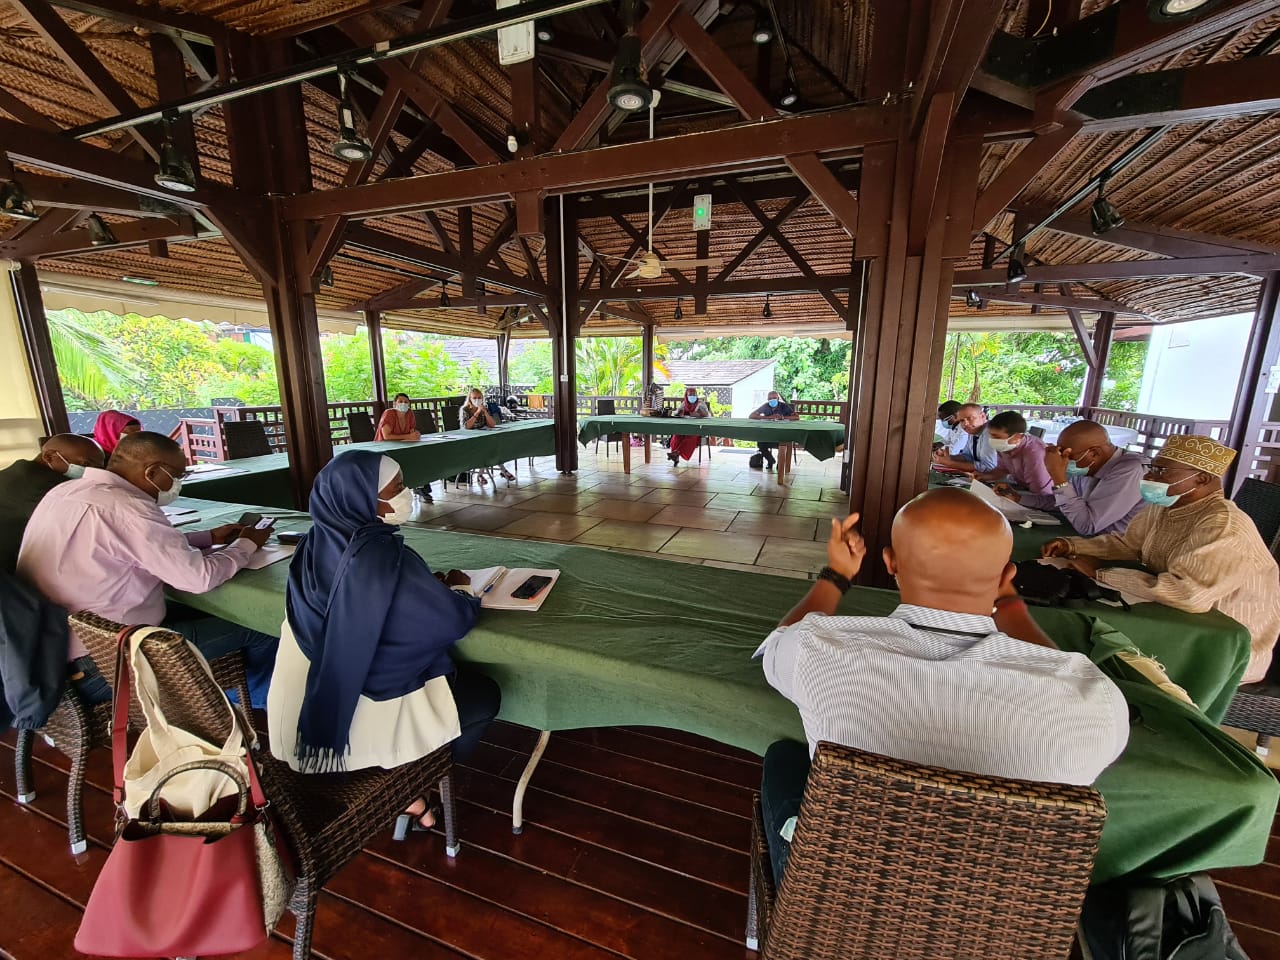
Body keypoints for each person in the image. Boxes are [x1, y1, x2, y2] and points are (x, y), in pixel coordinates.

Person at [755, 488, 1129, 883]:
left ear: (890, 563)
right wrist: (1007, 602)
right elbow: (1057, 668)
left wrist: (837, 574)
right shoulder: (1092, 700)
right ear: (1007, 576)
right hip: (998, 903)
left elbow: (776, 644)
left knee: (784, 758)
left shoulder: (818, 648)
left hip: (840, 888)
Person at [269, 452, 500, 828]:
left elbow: (361, 606)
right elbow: (450, 621)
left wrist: (422, 590)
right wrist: (460, 590)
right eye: (396, 489)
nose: (406, 495)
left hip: (305, 714)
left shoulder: (311, 545)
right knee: (484, 695)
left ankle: (402, 781)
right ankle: (412, 780)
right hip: (363, 712)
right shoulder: (380, 556)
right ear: (361, 499)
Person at [16, 432, 278, 707]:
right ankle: (256, 706)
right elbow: (198, 578)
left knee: (216, 611)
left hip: (53, 654)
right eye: (177, 476)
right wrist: (246, 544)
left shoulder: (64, 492)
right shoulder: (128, 506)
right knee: (262, 626)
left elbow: (127, 545)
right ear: (152, 471)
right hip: (106, 662)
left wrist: (208, 537)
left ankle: (230, 695)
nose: (177, 484)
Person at [1045, 435, 1280, 685]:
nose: (1149, 477)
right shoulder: (1167, 505)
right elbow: (1128, 544)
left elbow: (1187, 594)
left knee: (1089, 641)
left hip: (1221, 642)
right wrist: (1072, 545)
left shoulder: (1222, 524)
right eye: (1152, 468)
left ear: (1201, 478)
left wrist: (1101, 573)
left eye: (1162, 471)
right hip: (1179, 616)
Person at [1003, 419, 1145, 536]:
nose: (1065, 460)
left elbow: (1087, 525)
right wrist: (1018, 498)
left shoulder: (1130, 470)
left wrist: (1058, 476)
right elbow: (1064, 502)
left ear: (1094, 453)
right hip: (1088, 538)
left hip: (1116, 547)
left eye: (1069, 456)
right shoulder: (1089, 467)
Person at [0, 434, 104, 574]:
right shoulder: (47, 488)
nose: (91, 472)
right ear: (49, 456)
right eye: (85, 464)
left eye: (97, 468)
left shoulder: (18, 472)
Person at [974, 411, 1052, 496]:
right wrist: (983, 477)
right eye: (990, 435)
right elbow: (1002, 469)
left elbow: (1042, 494)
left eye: (996, 436)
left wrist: (1014, 496)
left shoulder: (1034, 454)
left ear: (1017, 437)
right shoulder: (1005, 446)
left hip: (1045, 497)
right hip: (1022, 488)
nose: (991, 439)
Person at [459, 388, 516, 484]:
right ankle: (500, 471)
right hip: (469, 438)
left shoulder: (484, 408)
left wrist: (485, 412)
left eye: (479, 397)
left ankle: (483, 474)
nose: (477, 400)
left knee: (495, 447)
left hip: (483, 436)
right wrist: (477, 412)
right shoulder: (465, 409)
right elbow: (466, 426)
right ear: (470, 399)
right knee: (487, 449)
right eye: (474, 398)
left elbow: (492, 424)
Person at [930, 403, 998, 473]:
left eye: (970, 418)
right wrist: (948, 457)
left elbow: (989, 467)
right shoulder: (973, 431)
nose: (965, 423)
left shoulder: (991, 433)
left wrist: (951, 463)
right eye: (961, 420)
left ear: (983, 416)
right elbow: (967, 457)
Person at [748, 390, 798, 470]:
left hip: (781, 433)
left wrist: (782, 417)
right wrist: (768, 417)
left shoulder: (784, 406)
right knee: (760, 444)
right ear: (768, 399)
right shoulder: (766, 406)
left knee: (782, 444)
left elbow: (796, 417)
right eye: (770, 398)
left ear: (778, 398)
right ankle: (770, 460)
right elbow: (751, 416)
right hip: (768, 433)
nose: (772, 400)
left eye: (774, 398)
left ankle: (780, 463)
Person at [667, 387, 711, 465]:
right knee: (677, 435)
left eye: (694, 394)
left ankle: (676, 453)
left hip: (697, 429)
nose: (692, 396)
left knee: (691, 436)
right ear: (686, 396)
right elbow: (676, 412)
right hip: (685, 427)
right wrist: (679, 413)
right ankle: (675, 455)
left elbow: (707, 415)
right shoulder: (684, 403)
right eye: (690, 395)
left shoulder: (700, 403)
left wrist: (700, 414)